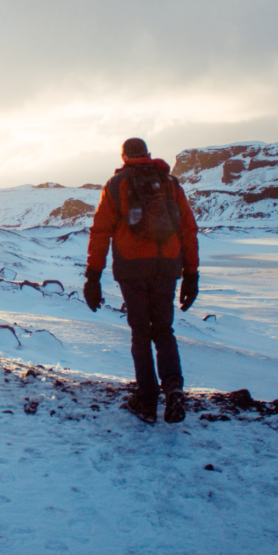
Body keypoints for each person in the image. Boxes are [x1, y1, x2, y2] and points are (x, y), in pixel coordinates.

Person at [84, 137, 200, 424]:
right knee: (164, 330)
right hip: (167, 266)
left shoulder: (116, 185)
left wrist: (93, 277)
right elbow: (188, 230)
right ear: (147, 154)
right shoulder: (170, 183)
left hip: (132, 267)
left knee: (140, 333)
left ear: (124, 157)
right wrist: (191, 275)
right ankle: (173, 388)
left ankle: (147, 401)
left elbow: (100, 232)